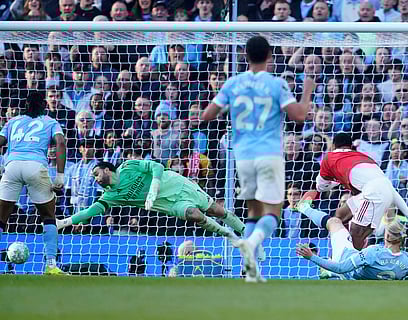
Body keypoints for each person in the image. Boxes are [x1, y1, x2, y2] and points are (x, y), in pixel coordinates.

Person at [201, 35, 315, 282]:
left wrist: (228, 106)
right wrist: (307, 92)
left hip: (242, 156)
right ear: (270, 58)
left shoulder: (232, 83)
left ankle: (250, 270)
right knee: (274, 210)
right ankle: (251, 243)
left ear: (245, 56)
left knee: (253, 211)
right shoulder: (277, 84)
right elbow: (299, 116)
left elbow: (207, 115)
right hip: (269, 153)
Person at [56, 160, 245, 245]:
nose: (95, 179)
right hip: (169, 205)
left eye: (96, 174)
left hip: (176, 185)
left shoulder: (128, 166)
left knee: (216, 211)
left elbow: (157, 166)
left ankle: (246, 232)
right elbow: (89, 211)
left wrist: (153, 189)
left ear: (107, 170)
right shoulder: (110, 196)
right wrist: (63, 222)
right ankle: (229, 235)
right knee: (194, 215)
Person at [300, 132, 408, 250]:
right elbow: (388, 188)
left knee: (355, 232)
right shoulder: (364, 157)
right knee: (339, 216)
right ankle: (346, 253)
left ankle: (354, 264)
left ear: (333, 146)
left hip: (372, 194)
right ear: (351, 146)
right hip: (376, 192)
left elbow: (321, 187)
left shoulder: (330, 157)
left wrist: (332, 181)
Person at [0, 92, 66, 275]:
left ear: (25, 104)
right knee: (48, 216)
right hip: (36, 166)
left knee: (1, 218)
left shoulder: (12, 122)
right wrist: (60, 175)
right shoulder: (50, 121)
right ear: (44, 105)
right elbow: (60, 142)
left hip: (12, 166)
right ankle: (51, 265)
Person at [296, 212, 408, 281]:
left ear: (387, 236)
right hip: (356, 271)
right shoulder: (407, 261)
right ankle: (328, 273)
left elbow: (341, 267)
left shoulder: (373, 252)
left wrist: (311, 256)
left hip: (343, 257)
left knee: (334, 222)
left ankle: (304, 208)